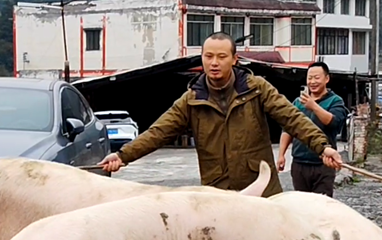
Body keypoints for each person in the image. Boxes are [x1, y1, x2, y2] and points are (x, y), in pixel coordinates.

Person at [100, 32, 344, 197]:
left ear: (234, 60)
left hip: (261, 189)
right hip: (218, 192)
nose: (214, 62)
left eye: (221, 56)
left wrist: (323, 147)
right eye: (209, 56)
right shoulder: (192, 99)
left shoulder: (256, 88)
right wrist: (123, 156)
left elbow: (293, 118)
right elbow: (159, 132)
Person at [277, 61, 348, 197]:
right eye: (309, 78)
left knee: (321, 206)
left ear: (326, 79)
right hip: (299, 164)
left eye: (317, 78)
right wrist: (281, 155)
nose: (312, 82)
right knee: (302, 206)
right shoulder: (299, 102)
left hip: (323, 163)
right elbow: (288, 129)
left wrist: (313, 106)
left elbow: (333, 122)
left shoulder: (335, 101)